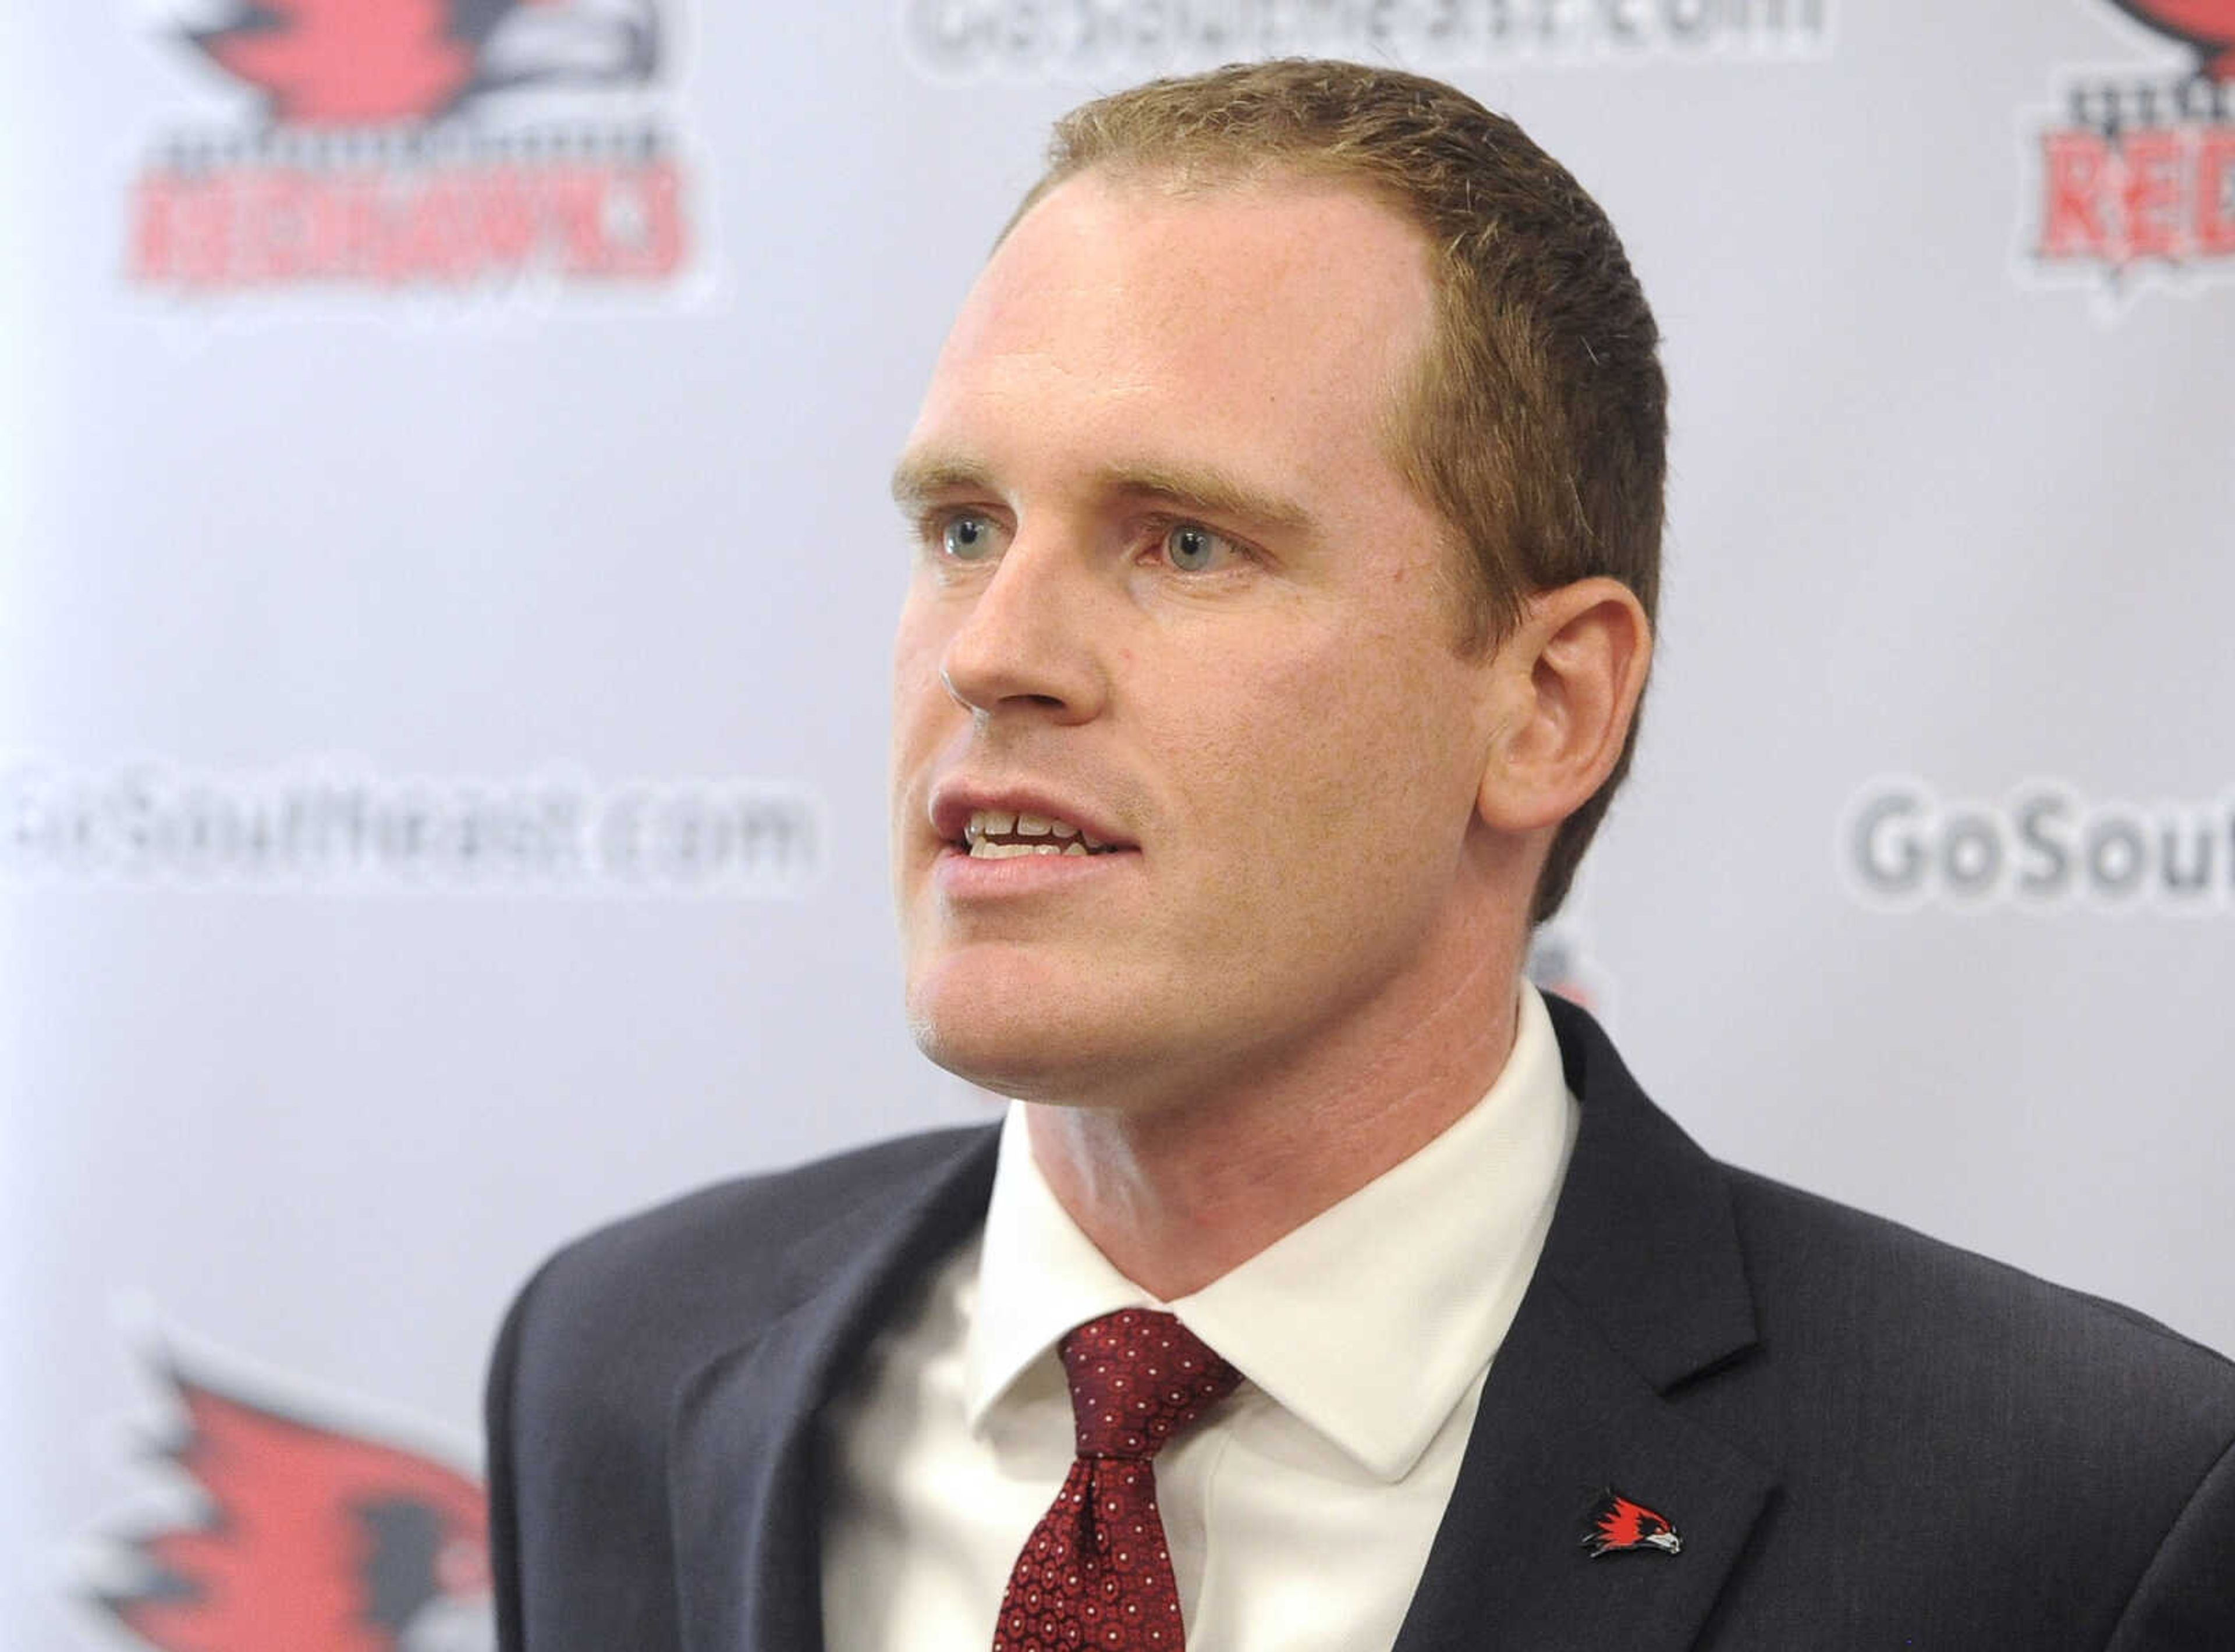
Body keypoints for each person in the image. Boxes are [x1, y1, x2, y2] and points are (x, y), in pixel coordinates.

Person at [485, 59, 2235, 1650]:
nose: (991, 651)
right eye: (963, 527)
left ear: (1548, 704)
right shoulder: (619, 1361)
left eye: (1182, 541)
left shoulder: (2077, 1514)